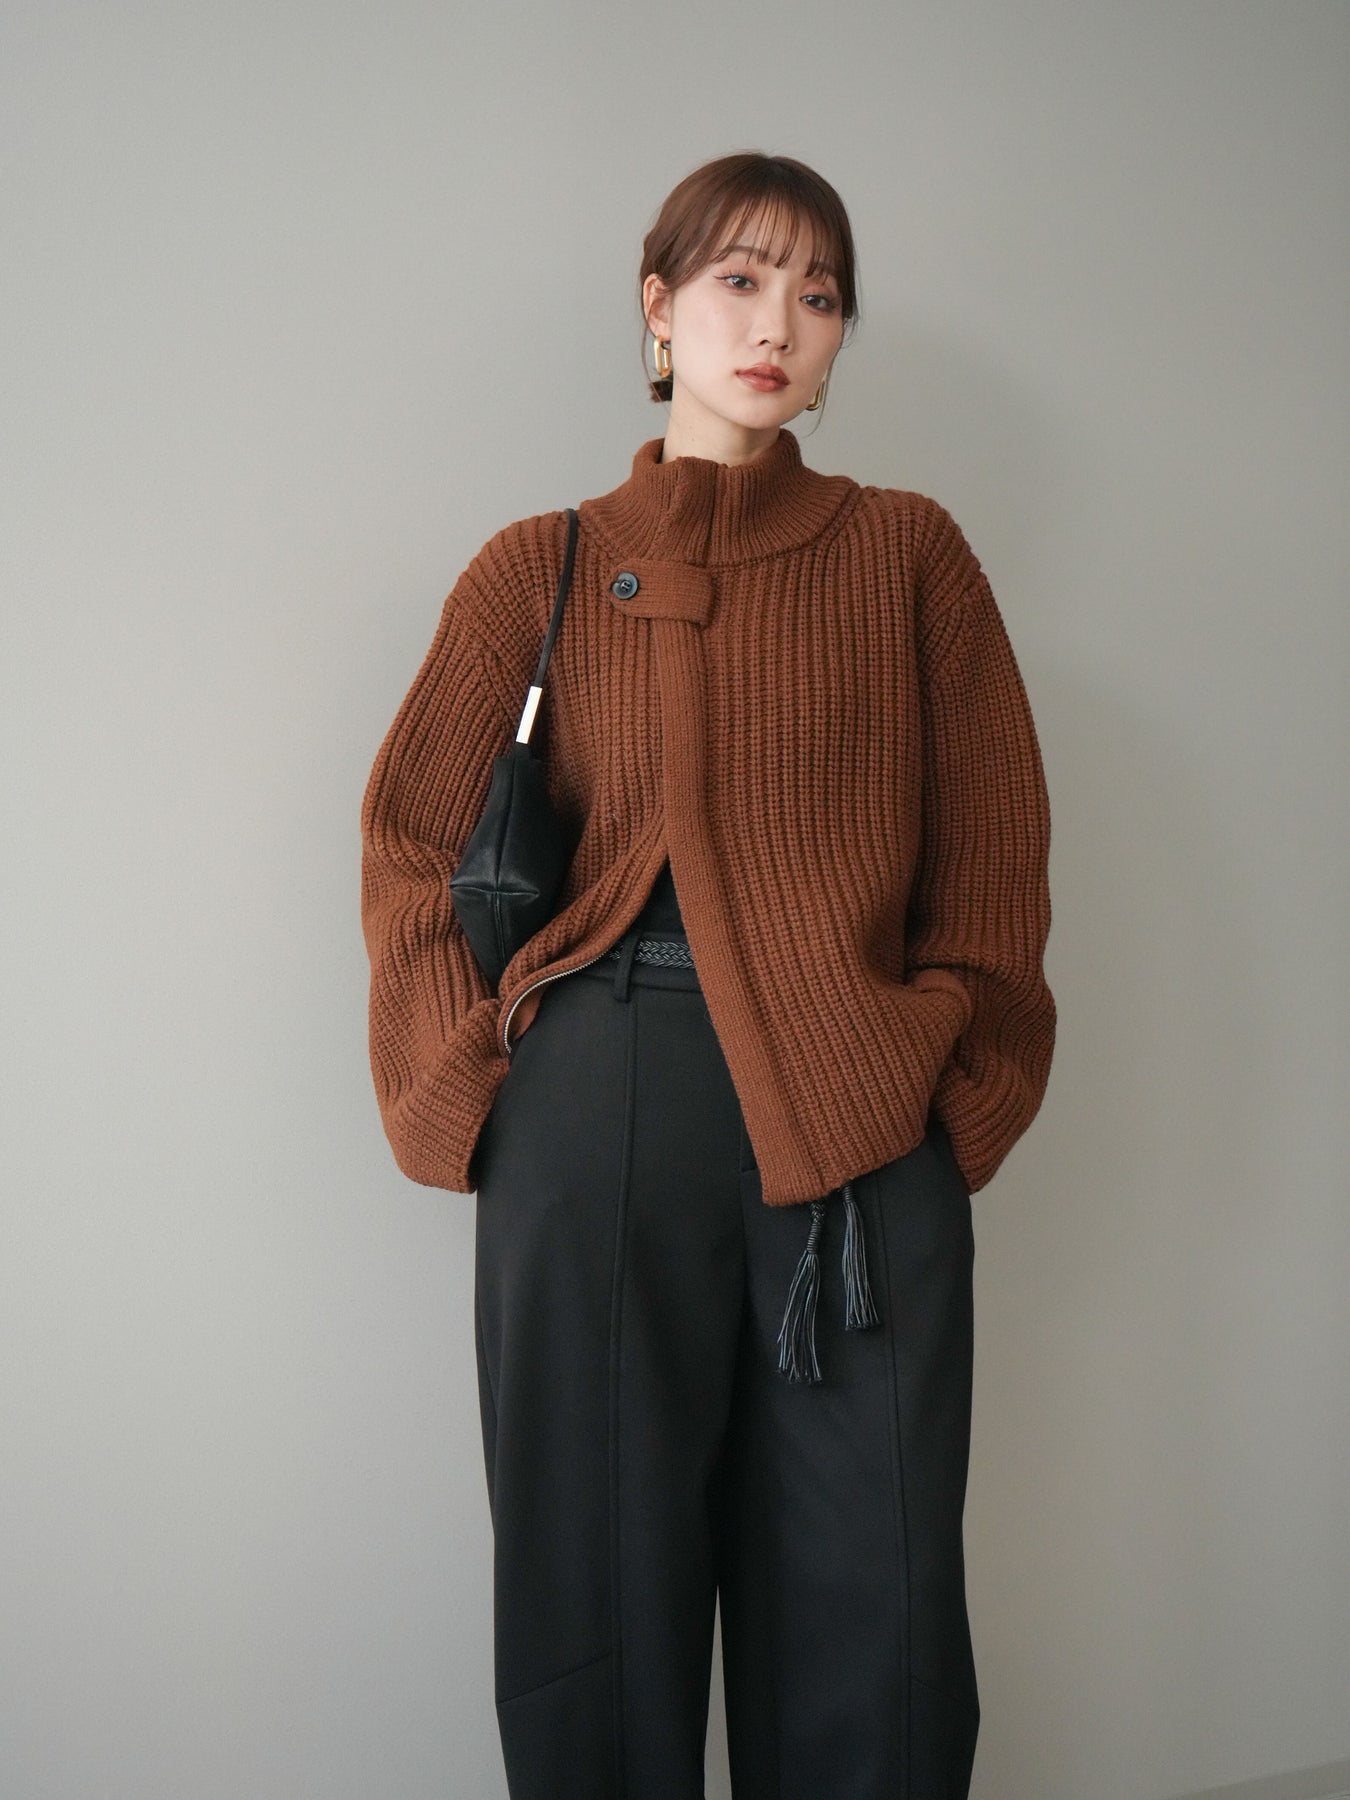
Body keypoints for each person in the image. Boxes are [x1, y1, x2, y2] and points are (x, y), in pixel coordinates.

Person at [359, 150, 1056, 1800]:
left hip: (858, 1137)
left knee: (878, 1615)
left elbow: (993, 859)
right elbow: (409, 843)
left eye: (818, 295)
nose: (778, 324)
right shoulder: (536, 566)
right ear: (659, 309)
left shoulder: (908, 556)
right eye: (739, 280)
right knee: (594, 1594)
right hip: (593, 1107)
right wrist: (466, 1086)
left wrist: (959, 1097)